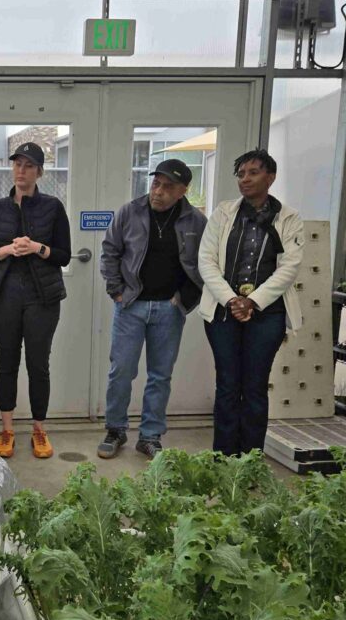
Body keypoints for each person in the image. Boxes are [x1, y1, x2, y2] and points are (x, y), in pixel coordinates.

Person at [197, 149, 304, 456]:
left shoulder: (289, 218)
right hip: (223, 310)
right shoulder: (223, 212)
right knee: (228, 385)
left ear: (270, 177)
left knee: (255, 387)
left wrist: (252, 302)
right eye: (241, 174)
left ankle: (250, 459)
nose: (245, 180)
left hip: (267, 314)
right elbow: (206, 260)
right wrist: (232, 299)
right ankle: (223, 457)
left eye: (253, 173)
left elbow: (289, 267)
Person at [98, 159, 206, 459]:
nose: (158, 191)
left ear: (183, 191)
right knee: (121, 371)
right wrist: (116, 291)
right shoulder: (129, 212)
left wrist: (184, 300)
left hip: (169, 310)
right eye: (155, 183)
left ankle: (150, 436)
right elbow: (110, 252)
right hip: (130, 306)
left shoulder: (195, 222)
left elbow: (203, 264)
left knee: (160, 376)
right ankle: (115, 429)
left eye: (167, 187)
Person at [0, 142, 71, 459]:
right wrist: (7, 250)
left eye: (29, 165)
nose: (21, 170)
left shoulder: (53, 207)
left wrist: (36, 248)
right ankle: (6, 430)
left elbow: (63, 254)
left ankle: (38, 431)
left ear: (39, 172)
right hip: (4, 296)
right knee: (6, 363)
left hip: (42, 297)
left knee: (38, 365)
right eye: (17, 164)